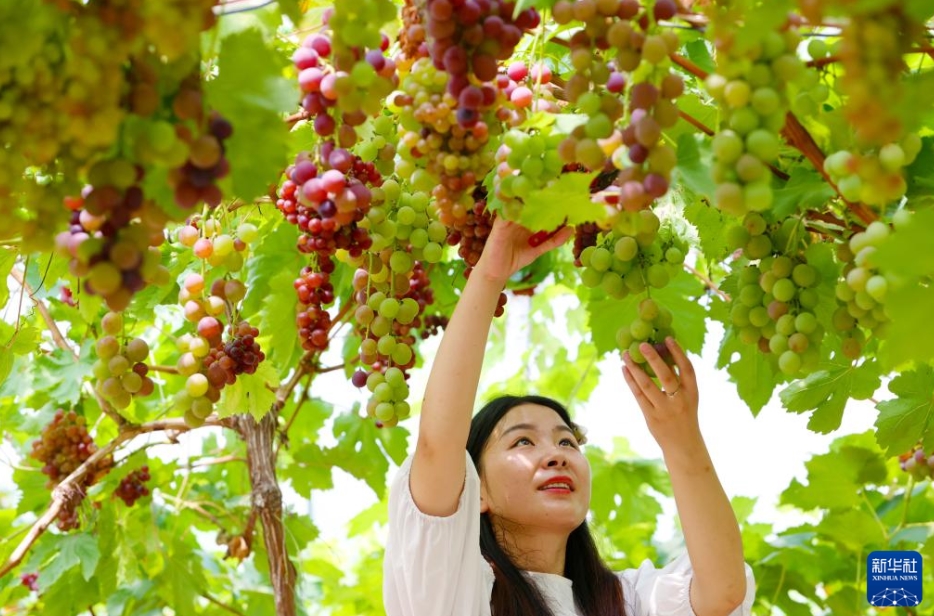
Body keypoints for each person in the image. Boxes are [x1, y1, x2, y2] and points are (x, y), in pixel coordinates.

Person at [383, 217, 755, 616]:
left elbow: (723, 593)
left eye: (567, 441)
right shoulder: (456, 590)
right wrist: (490, 274)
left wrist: (682, 440)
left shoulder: (627, 601)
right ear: (478, 493)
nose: (557, 455)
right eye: (522, 441)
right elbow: (437, 447)